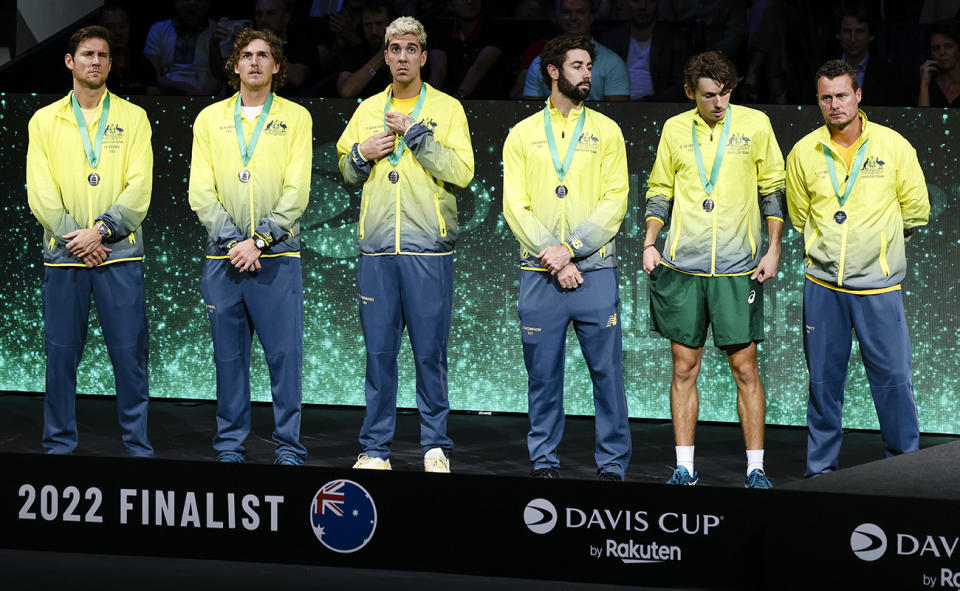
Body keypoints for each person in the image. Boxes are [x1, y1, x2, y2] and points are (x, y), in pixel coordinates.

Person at [336, 16, 474, 473]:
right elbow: (346, 170)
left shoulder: (448, 109)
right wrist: (361, 155)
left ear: (423, 56)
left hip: (427, 251)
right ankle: (375, 449)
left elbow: (462, 172)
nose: (401, 57)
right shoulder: (366, 109)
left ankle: (435, 446)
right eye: (394, 49)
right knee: (378, 355)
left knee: (430, 354)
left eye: (410, 49)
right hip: (377, 251)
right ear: (386, 54)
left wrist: (415, 134)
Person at [643, 50, 785, 488]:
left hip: (737, 268)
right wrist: (650, 241)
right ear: (691, 93)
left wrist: (774, 248)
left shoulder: (755, 125)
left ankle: (755, 468)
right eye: (709, 96)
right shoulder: (674, 129)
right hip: (683, 266)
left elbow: (772, 190)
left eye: (725, 93)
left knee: (745, 368)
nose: (719, 102)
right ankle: (684, 466)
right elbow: (660, 190)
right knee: (684, 368)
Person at [786, 59, 930, 476]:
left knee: (893, 383)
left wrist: (877, 250)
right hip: (823, 286)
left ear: (859, 96)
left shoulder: (893, 146)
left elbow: (916, 211)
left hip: (877, 287)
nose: (835, 105)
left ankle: (904, 469)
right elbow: (800, 216)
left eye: (842, 95)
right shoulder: (804, 151)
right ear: (818, 101)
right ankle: (820, 472)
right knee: (823, 385)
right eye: (826, 97)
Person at [503, 34, 631, 481]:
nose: (588, 74)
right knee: (543, 379)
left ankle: (612, 466)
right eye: (578, 66)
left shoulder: (607, 131)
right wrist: (554, 258)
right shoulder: (521, 134)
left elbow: (616, 201)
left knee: (608, 378)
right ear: (553, 71)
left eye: (590, 67)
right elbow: (514, 204)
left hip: (595, 273)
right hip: (540, 274)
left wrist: (571, 249)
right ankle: (543, 461)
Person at [26, 25, 153, 456]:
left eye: (102, 55)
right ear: (69, 61)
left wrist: (98, 233)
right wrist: (78, 239)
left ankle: (137, 447)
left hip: (118, 255)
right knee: (61, 359)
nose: (95, 61)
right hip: (64, 258)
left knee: (130, 359)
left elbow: (139, 188)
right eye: (86, 54)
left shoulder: (133, 117)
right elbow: (40, 193)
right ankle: (59, 446)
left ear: (111, 64)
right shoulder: (44, 120)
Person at [188, 28, 312, 465]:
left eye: (264, 55)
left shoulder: (296, 118)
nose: (255, 62)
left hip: (278, 258)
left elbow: (297, 192)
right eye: (246, 55)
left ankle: (289, 447)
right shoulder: (209, 119)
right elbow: (200, 193)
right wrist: (236, 243)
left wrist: (258, 241)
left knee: (284, 359)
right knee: (229, 360)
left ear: (276, 66)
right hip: (224, 260)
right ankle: (229, 447)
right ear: (234, 65)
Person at [520, 0, 629, 101]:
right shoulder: (539, 63)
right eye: (567, 12)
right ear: (557, 16)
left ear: (591, 17)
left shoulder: (613, 62)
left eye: (580, 12)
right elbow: (531, 113)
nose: (573, 17)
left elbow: (617, 113)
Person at [599, 0, 689, 101]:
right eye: (636, 1)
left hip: (659, 108)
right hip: (616, 104)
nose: (643, 6)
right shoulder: (611, 39)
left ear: (657, 4)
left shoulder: (674, 39)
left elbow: (680, 86)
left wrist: (647, 101)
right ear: (626, 3)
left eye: (649, 1)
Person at [833, 5, 909, 107]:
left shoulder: (888, 73)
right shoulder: (821, 70)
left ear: (871, 36)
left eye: (859, 32)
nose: (852, 39)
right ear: (838, 35)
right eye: (847, 31)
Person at [918, 19, 960, 107]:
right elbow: (921, 119)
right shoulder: (926, 86)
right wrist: (924, 84)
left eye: (948, 46)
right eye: (936, 48)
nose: (942, 52)